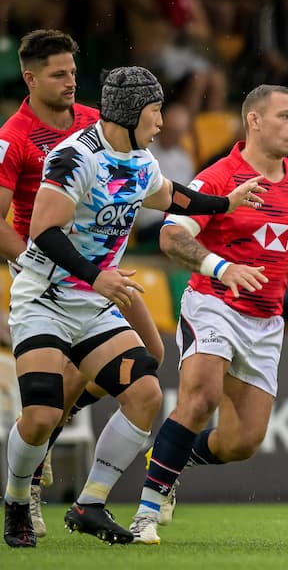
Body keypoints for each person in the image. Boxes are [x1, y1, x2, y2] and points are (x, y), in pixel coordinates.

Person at [3, 66, 262, 548]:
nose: (162, 122)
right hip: (45, 297)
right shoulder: (73, 157)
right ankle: (17, 497)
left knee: (145, 394)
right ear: (129, 113)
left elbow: (171, 197)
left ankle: (90, 504)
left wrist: (225, 203)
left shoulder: (141, 160)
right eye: (156, 110)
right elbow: (43, 229)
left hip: (94, 303)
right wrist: (97, 274)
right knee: (39, 417)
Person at [128, 85, 288, 545]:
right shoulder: (219, 178)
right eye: (286, 116)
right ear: (254, 121)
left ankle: (169, 459)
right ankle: (146, 510)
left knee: (241, 442)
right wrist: (221, 268)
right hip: (213, 304)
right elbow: (171, 237)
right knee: (200, 399)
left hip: (265, 323)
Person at [0, 31, 163, 538]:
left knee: (151, 356)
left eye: (74, 71)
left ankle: (51, 439)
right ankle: (27, 478)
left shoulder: (99, 122)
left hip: (98, 275)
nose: (71, 82)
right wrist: (36, 263)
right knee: (47, 404)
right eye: (58, 74)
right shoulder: (14, 138)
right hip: (50, 275)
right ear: (30, 79)